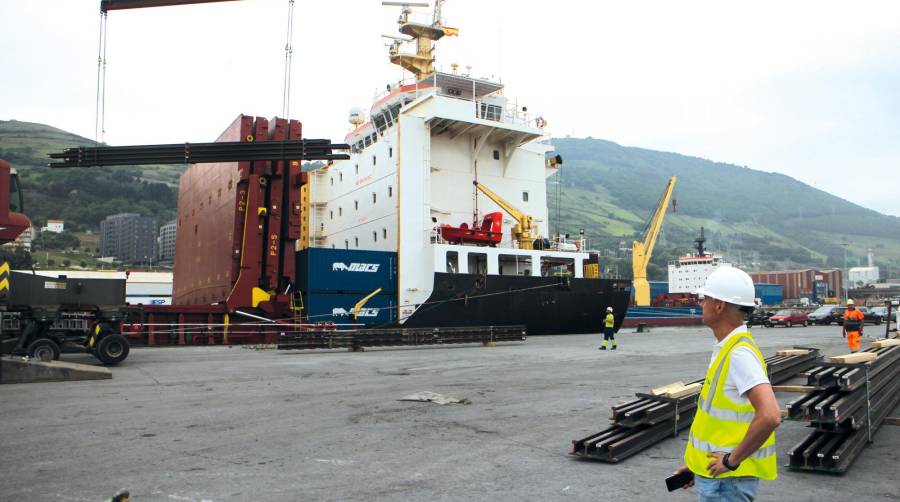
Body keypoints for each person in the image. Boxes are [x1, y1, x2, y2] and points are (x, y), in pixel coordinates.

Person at [674, 266, 781, 501]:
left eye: (705, 299)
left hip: (728, 482)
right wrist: (697, 466)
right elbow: (719, 423)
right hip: (718, 477)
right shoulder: (728, 348)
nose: (701, 304)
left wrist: (731, 461)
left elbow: (771, 416)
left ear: (719, 305)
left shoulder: (739, 354)